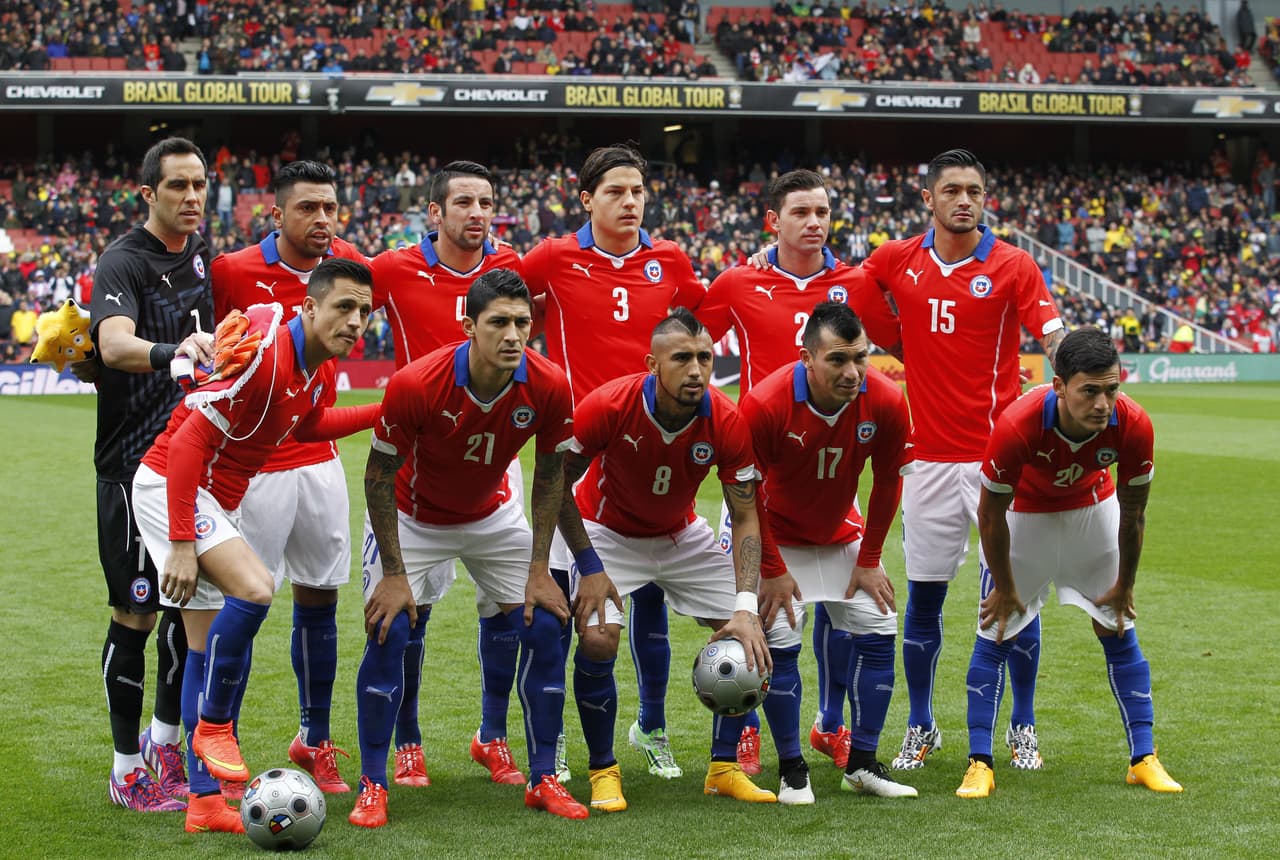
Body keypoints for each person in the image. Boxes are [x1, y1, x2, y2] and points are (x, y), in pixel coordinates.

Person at [131, 258, 380, 832]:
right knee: (256, 587)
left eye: (364, 311)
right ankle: (215, 724)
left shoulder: (316, 367)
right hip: (176, 484)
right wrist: (182, 544)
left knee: (201, 647)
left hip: (218, 497)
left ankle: (203, 803)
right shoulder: (268, 357)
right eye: (344, 307)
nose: (356, 320)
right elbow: (191, 439)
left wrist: (382, 411)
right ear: (309, 307)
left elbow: (307, 427)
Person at [352, 268, 584, 827]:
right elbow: (379, 475)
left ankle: (544, 776)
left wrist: (538, 567)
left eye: (522, 323)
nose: (512, 335)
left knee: (550, 624)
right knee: (392, 628)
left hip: (493, 516)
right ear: (469, 326)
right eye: (499, 322)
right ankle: (373, 783)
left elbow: (552, 476)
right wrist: (393, 572)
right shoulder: (417, 382)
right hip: (413, 516)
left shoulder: (549, 384)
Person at [859, 149, 1065, 772]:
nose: (965, 200)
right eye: (952, 190)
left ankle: (1022, 725)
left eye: (974, 189)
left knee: (1014, 596)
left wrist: (1079, 365)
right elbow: (851, 285)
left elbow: (1052, 334)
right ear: (929, 198)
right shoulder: (895, 259)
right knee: (922, 601)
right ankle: (922, 724)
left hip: (999, 461)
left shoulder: (1012, 264)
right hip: (925, 463)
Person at [698, 169, 902, 775]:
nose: (815, 222)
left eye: (823, 211)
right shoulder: (737, 282)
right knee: (754, 616)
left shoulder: (857, 282)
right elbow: (690, 348)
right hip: (759, 466)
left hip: (830, 469)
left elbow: (898, 342)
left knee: (843, 613)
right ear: (774, 221)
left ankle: (832, 725)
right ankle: (744, 736)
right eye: (802, 212)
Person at [522, 143, 707, 781]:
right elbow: (501, 304)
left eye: (637, 193)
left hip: (654, 451)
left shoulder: (671, 262)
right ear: (586, 200)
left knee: (652, 606)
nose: (629, 203)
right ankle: (558, 743)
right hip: (579, 454)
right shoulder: (552, 257)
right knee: (572, 617)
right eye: (615, 193)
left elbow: (702, 331)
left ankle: (652, 726)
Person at [554, 307, 775, 814]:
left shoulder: (725, 417)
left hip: (680, 536)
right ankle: (604, 770)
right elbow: (556, 487)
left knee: (751, 635)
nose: (697, 369)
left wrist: (744, 604)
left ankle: (723, 770)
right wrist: (588, 565)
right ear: (652, 364)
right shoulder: (609, 404)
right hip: (605, 533)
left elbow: (745, 515)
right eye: (682, 358)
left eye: (705, 356)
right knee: (597, 637)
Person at [367, 161, 539, 789]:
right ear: (433, 213)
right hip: (414, 475)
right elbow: (337, 297)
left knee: (509, 611)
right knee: (411, 612)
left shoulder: (516, 269)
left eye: (486, 201)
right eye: (463, 201)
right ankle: (407, 740)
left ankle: (491, 735)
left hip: (495, 469)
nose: (477, 212)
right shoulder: (392, 269)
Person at [956, 327, 1182, 798]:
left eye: (1111, 389)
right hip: (1024, 518)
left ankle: (1143, 758)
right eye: (1090, 391)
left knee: (1119, 628)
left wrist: (1125, 583)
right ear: (1059, 387)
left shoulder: (1134, 423)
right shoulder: (1018, 424)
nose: (1103, 403)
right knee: (996, 628)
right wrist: (1003, 582)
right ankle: (980, 764)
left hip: (1092, 514)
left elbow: (1135, 513)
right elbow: (990, 514)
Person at [209, 159, 369, 794]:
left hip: (318, 456)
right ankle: (224, 742)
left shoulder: (348, 265)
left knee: (320, 595)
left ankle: (315, 735)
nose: (323, 220)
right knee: (245, 604)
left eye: (330, 207)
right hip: (255, 466)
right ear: (276, 213)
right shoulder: (233, 272)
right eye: (308, 208)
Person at [738, 302, 917, 803]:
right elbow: (744, 497)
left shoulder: (883, 398)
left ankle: (861, 765)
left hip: (843, 536)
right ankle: (792, 770)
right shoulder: (767, 402)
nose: (853, 371)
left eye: (861, 357)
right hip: (779, 539)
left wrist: (870, 558)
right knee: (779, 640)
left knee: (881, 627)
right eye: (838, 359)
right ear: (807, 359)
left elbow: (886, 484)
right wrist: (770, 570)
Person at [87, 137, 215, 813]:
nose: (192, 198)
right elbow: (112, 343)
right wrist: (174, 353)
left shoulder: (203, 254)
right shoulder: (124, 260)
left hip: (186, 467)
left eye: (199, 186)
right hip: (130, 471)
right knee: (135, 613)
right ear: (148, 194)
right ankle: (125, 766)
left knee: (183, 609)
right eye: (178, 187)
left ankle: (166, 743)